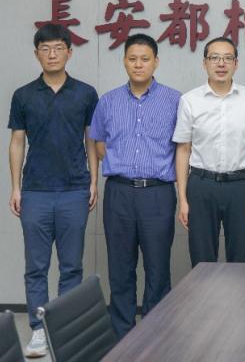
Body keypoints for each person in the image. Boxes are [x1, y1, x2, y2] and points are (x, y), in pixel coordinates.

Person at [8, 23, 98, 358]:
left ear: (69, 53)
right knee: (36, 266)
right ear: (37, 54)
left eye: (59, 48)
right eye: (45, 49)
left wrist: (93, 181)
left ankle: (66, 329)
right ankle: (38, 330)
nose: (52, 54)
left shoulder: (85, 93)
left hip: (75, 189)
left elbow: (92, 140)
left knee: (71, 266)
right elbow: (17, 142)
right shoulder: (23, 95)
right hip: (35, 191)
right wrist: (15, 187)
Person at [89, 33, 180, 340]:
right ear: (124, 61)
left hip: (158, 193)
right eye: (132, 59)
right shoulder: (108, 101)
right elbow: (98, 143)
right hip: (119, 193)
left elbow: (183, 147)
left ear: (156, 62)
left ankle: (155, 337)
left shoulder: (174, 100)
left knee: (158, 268)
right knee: (120, 268)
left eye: (145, 59)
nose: (138, 64)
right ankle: (122, 337)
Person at [174, 36, 245, 266]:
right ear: (204, 63)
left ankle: (239, 293)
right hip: (201, 186)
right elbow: (183, 150)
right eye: (214, 58)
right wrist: (183, 199)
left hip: (241, 186)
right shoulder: (190, 100)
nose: (221, 64)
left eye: (227, 58)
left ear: (236, 63)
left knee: (241, 258)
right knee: (202, 260)